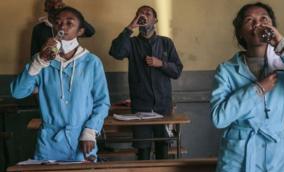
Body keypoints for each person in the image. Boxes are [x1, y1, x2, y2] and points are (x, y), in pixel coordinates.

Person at [210, 2, 284, 172]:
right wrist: (258, 89)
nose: (257, 24)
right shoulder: (226, 70)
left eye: (263, 19)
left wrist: (282, 43)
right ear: (240, 32)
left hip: (277, 157)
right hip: (238, 157)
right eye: (249, 20)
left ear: (272, 27)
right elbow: (219, 118)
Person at [11, 6, 110, 161]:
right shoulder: (42, 61)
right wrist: (38, 62)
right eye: (58, 23)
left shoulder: (92, 62)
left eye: (69, 23)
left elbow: (102, 102)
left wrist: (90, 130)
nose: (62, 27)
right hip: (49, 142)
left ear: (80, 31)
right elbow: (17, 92)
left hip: (82, 140)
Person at [109, 5, 183, 160]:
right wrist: (130, 27)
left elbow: (177, 71)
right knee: (143, 149)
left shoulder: (166, 43)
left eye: (147, 13)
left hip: (163, 106)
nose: (143, 16)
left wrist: (161, 63)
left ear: (155, 20)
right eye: (139, 14)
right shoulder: (132, 43)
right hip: (141, 107)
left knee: (163, 148)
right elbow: (116, 52)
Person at [31, 0, 95, 57]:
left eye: (58, 1)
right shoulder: (38, 28)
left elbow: (90, 32)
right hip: (48, 65)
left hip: (71, 61)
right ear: (45, 7)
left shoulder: (70, 25)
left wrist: (68, 11)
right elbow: (34, 53)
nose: (55, 5)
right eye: (50, 2)